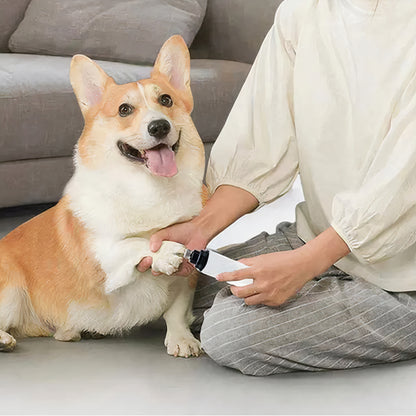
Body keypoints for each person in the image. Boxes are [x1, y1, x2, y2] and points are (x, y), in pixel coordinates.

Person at [138, 0, 416, 375]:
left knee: (231, 332)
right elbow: (261, 142)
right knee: (160, 292)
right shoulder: (304, 12)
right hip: (323, 238)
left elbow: (401, 187)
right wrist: (200, 228)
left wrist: (304, 266)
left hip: (405, 275)